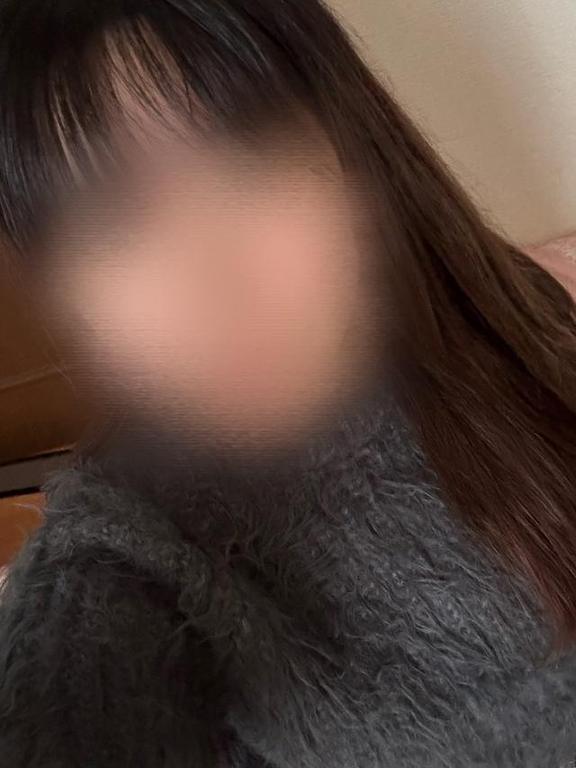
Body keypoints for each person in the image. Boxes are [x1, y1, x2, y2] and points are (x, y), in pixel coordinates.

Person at [1, 1, 576, 766]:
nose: (211, 281)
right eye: (110, 217)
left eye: (251, 157)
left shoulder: (511, 313)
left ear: (355, 159)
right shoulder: (129, 553)